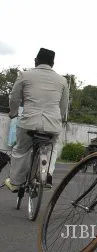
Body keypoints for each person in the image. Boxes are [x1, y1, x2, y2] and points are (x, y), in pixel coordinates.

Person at [5, 48, 69, 191]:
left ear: (36, 60)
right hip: (52, 125)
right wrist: (59, 120)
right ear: (53, 63)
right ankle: (47, 175)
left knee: (21, 150)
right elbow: (63, 106)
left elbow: (14, 98)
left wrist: (13, 112)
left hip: (29, 123)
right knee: (51, 148)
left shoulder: (24, 75)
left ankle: (15, 182)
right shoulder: (62, 81)